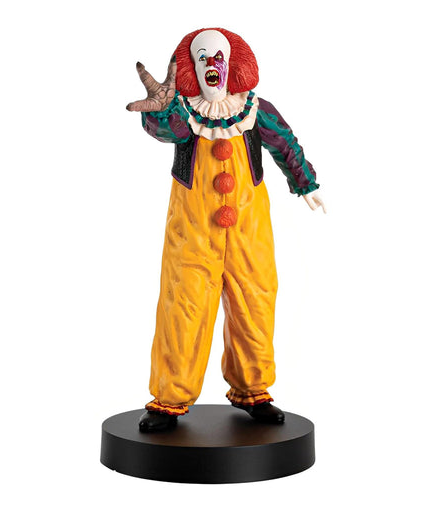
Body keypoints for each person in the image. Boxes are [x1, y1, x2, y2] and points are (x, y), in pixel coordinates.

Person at [126, 28, 325, 432]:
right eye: (202, 58)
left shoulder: (254, 109)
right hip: (192, 231)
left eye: (218, 57)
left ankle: (253, 389)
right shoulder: (185, 113)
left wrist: (304, 182)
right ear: (191, 67)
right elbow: (166, 129)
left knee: (255, 300)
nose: (211, 65)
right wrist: (160, 109)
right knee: (183, 307)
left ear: (232, 64)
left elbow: (284, 142)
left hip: (249, 229)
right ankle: (169, 398)